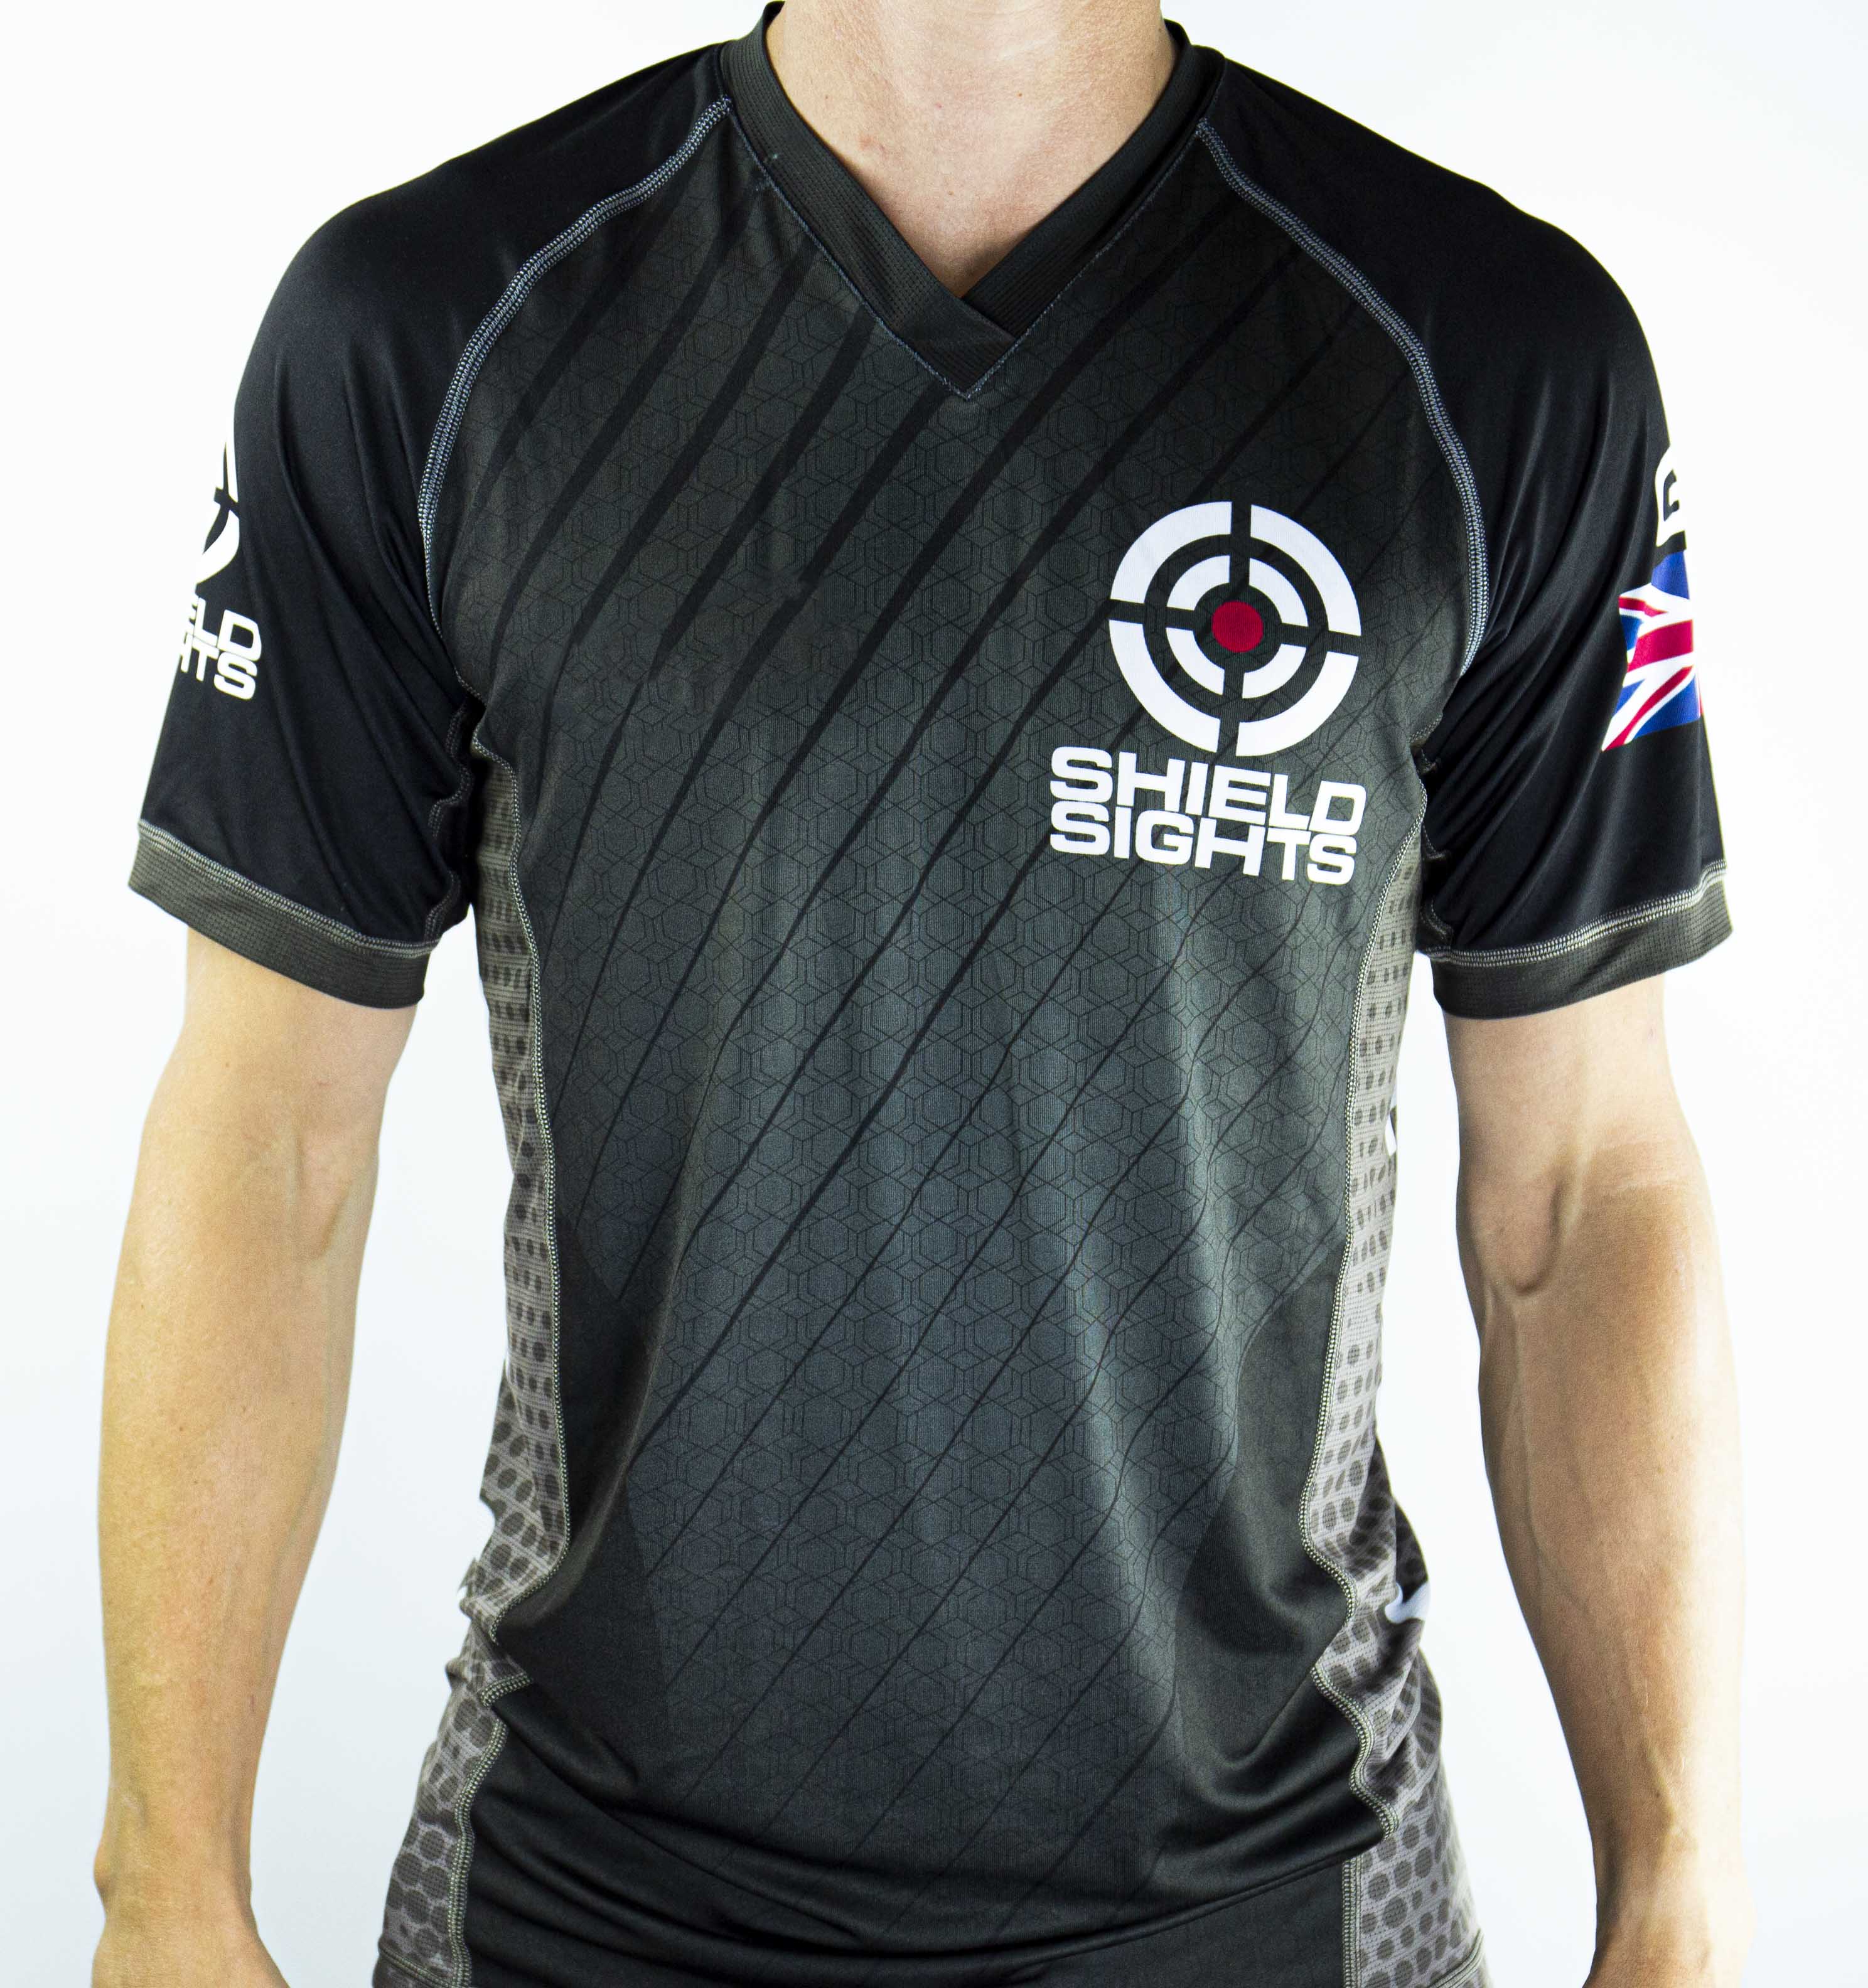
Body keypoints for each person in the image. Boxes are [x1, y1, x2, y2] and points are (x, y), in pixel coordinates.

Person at [94, 3, 1749, 1984]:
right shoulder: (437, 330)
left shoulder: (1489, 359)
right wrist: (165, 1884)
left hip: (1274, 1902)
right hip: (590, 1902)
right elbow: (267, 1142)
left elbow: (1581, 1197)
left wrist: (1679, 1893)